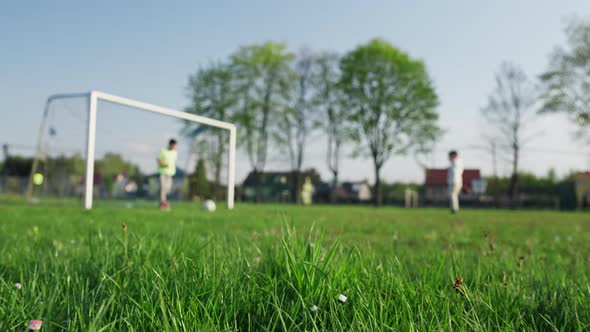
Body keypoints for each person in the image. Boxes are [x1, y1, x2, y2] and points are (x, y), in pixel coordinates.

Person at [157, 139, 178, 210]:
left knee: (168, 189)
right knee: (163, 188)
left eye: (175, 146)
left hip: (170, 174)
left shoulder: (175, 152)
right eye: (173, 145)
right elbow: (158, 160)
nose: (174, 147)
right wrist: (163, 164)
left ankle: (165, 202)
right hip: (162, 173)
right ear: (170, 144)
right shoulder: (163, 151)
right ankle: (162, 203)